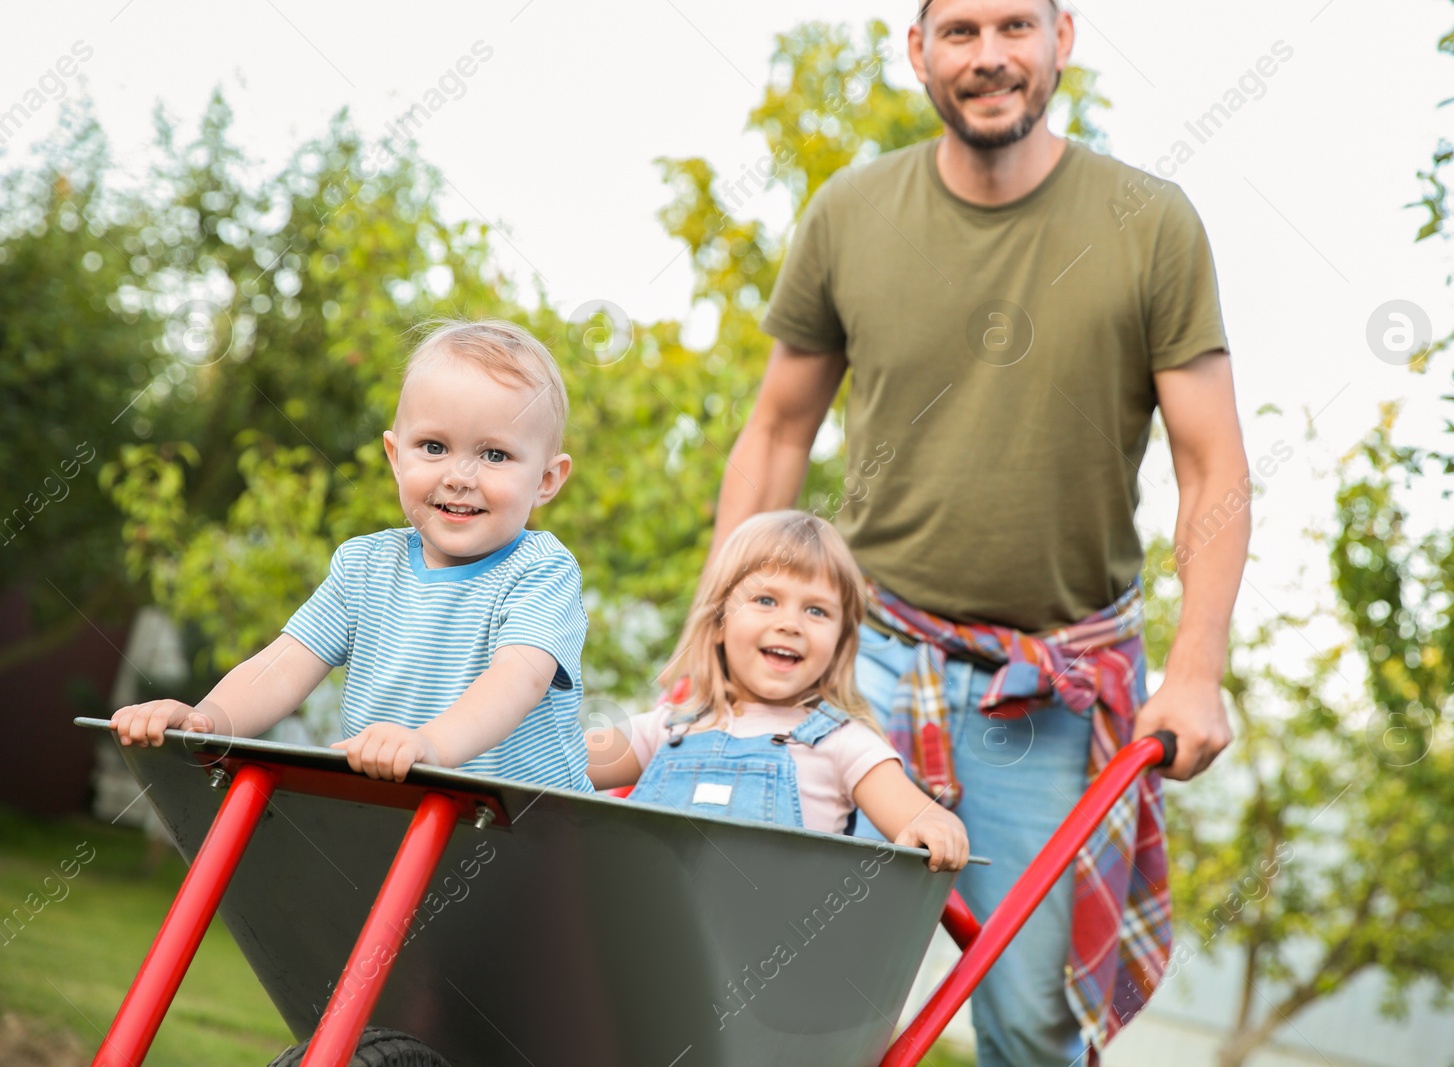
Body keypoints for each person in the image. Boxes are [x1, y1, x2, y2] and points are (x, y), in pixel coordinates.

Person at [674, 1, 1251, 1062]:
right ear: (917, 51)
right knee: (754, 961)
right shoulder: (851, 211)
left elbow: (1210, 462)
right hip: (851, 658)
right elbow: (775, 430)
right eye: (960, 30)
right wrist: (711, 633)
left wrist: (1196, 664)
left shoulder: (1149, 222)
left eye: (1014, 26)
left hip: (1044, 682)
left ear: (1062, 37)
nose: (989, 56)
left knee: (1029, 1016)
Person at [110, 319, 592, 788]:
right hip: (400, 815)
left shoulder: (540, 571)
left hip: (528, 837)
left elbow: (517, 681)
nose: (460, 476)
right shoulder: (365, 567)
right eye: (433, 446)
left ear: (547, 481)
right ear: (395, 456)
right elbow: (282, 668)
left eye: (494, 455)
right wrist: (205, 719)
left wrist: (429, 747)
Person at [589, 511, 969, 871]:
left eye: (817, 611)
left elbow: (922, 813)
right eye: (766, 600)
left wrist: (937, 827)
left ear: (839, 643)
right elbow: (559, 758)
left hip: (772, 936)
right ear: (719, 620)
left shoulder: (843, 742)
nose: (790, 623)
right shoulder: (670, 727)